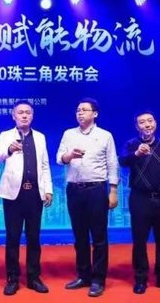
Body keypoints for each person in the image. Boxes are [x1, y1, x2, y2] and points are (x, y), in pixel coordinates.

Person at [56, 97, 119, 298]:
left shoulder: (105, 135)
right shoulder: (68, 134)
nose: (80, 113)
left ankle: (98, 279)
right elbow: (59, 158)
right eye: (78, 110)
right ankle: (83, 275)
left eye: (84, 109)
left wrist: (113, 190)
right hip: (74, 189)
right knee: (80, 236)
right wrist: (69, 156)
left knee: (99, 236)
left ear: (95, 113)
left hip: (96, 189)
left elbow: (112, 163)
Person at [0, 100, 53, 296]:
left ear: (32, 116)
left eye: (28, 112)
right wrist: (8, 150)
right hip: (13, 195)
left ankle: (34, 277)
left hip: (34, 194)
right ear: (14, 116)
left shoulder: (40, 137)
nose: (24, 115)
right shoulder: (6, 135)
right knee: (13, 237)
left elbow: (45, 165)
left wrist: (48, 189)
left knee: (34, 237)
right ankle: (12, 278)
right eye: (20, 113)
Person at [118, 111, 160, 295]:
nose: (147, 124)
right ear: (137, 126)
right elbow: (122, 161)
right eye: (142, 122)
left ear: (155, 123)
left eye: (150, 121)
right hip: (140, 199)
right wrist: (137, 154)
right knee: (140, 241)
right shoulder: (131, 144)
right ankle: (140, 279)